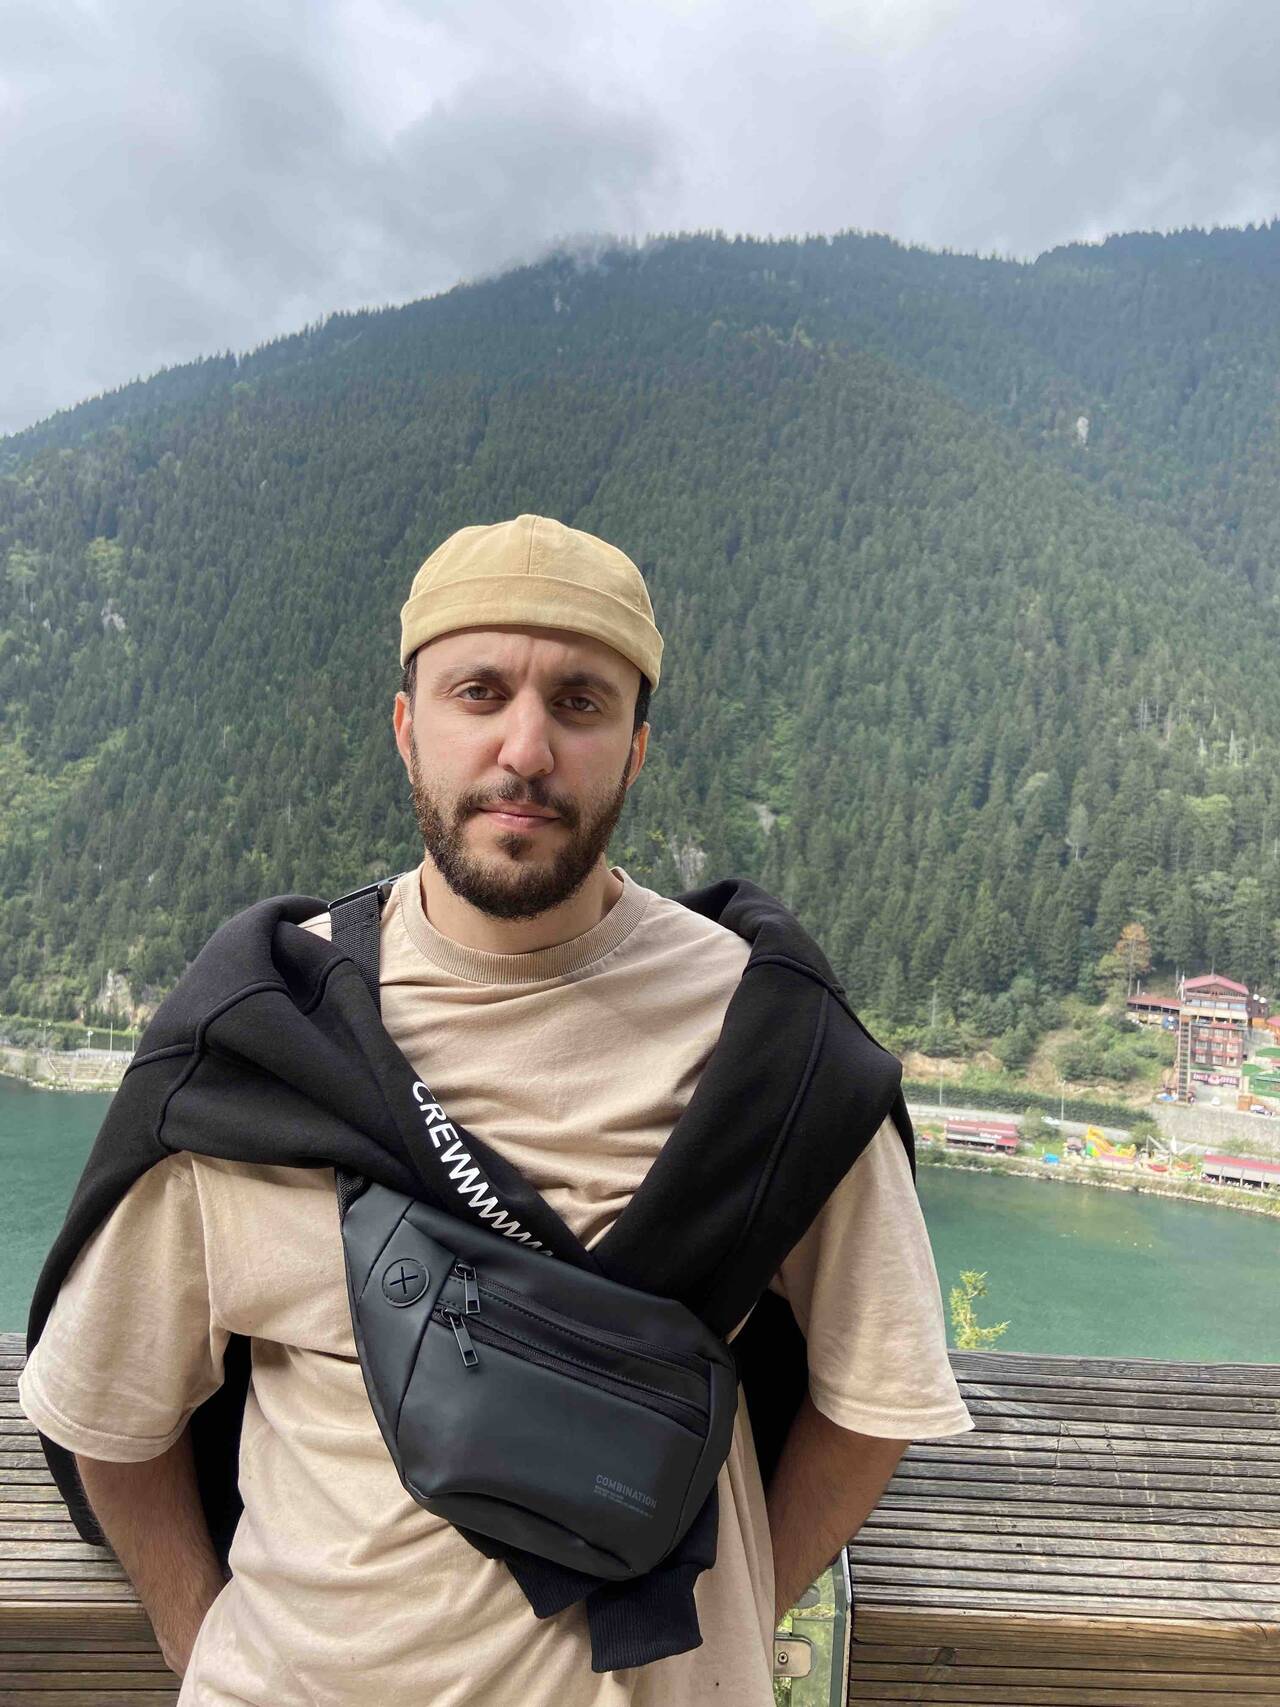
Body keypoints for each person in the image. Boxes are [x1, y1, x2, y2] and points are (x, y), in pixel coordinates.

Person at [19, 514, 974, 1706]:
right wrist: (198, 1640)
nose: (525, 749)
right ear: (407, 728)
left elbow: (872, 1399)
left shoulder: (770, 1048)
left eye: (579, 703)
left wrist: (726, 1619)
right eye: (478, 692)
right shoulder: (265, 1038)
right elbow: (108, 1411)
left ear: (634, 749)